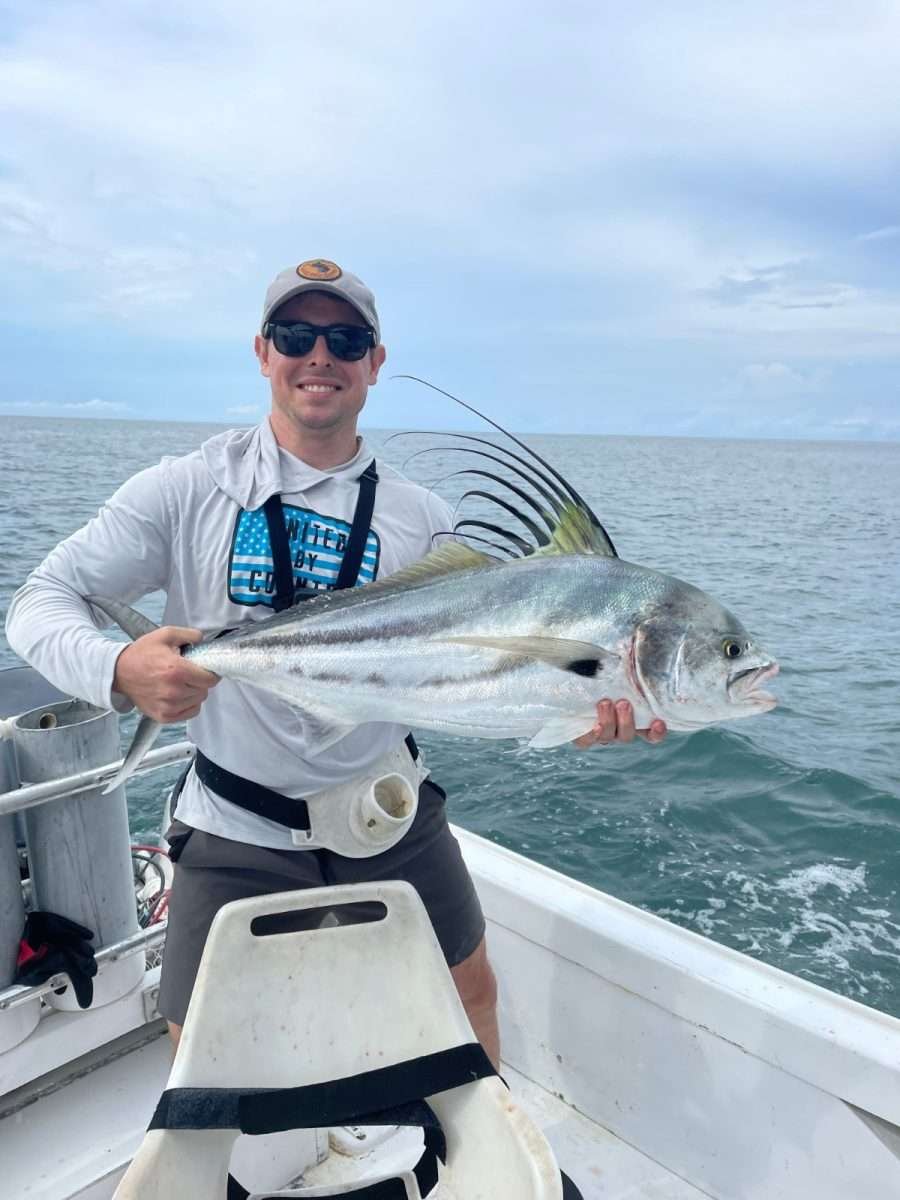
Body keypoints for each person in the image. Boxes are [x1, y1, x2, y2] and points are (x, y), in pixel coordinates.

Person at [6, 258, 667, 1069]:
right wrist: (118, 668)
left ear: (374, 364)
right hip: (236, 818)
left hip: (388, 806)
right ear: (262, 352)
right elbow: (39, 600)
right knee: (201, 1041)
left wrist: (575, 707)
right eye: (296, 335)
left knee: (472, 995)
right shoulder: (184, 490)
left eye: (346, 339)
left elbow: (476, 667)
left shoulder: (423, 520)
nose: (320, 355)